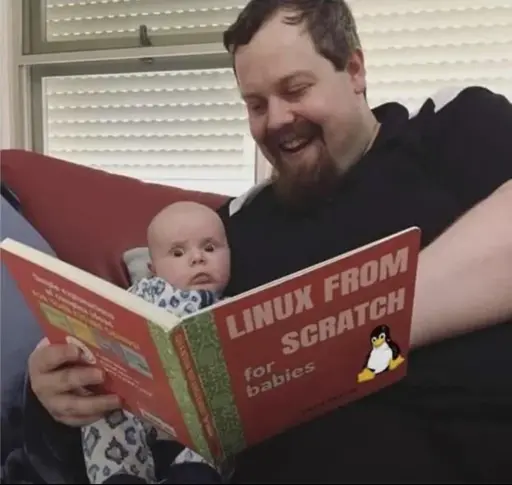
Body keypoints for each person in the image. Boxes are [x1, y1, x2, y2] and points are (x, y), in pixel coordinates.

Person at [15, 0, 512, 483]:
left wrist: (351, 328)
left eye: (295, 89)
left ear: (354, 70)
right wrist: (54, 391)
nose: (275, 120)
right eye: (256, 104)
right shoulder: (229, 231)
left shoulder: (452, 127)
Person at [81, 201, 230, 484]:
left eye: (210, 248)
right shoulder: (143, 294)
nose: (198, 258)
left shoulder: (234, 308)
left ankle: (193, 474)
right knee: (105, 412)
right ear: (153, 269)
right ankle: (121, 476)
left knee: (225, 418)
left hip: (197, 421)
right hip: (136, 402)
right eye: (178, 253)